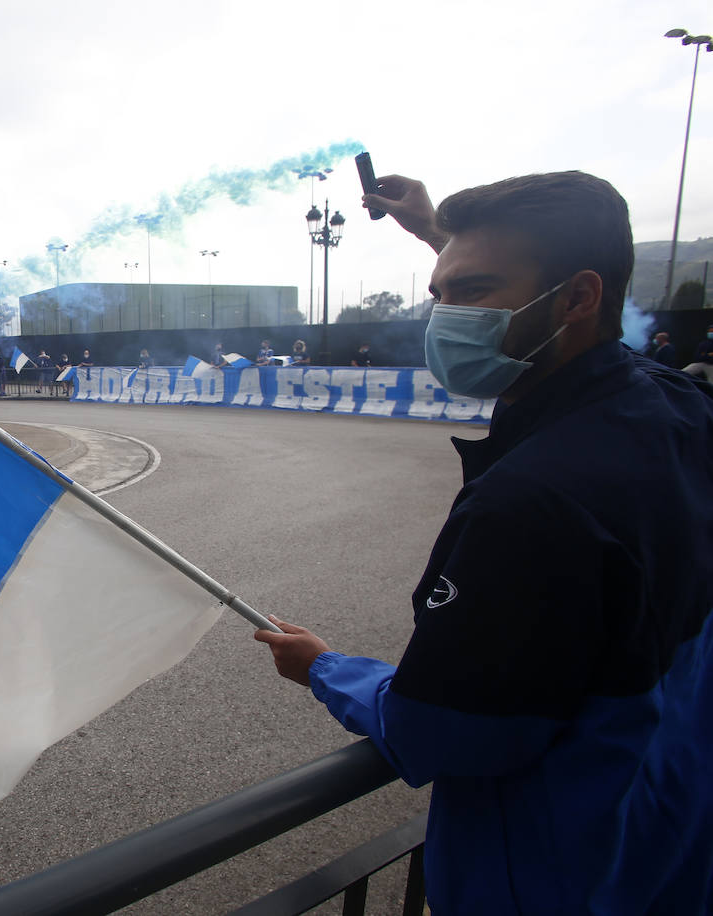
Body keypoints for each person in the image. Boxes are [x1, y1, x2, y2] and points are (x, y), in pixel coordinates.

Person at [254, 170, 713, 914]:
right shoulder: (679, 406)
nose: (445, 319)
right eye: (440, 296)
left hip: (552, 880)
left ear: (578, 297)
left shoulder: (529, 504)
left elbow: (439, 731)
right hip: (666, 851)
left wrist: (326, 669)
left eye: (471, 293)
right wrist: (435, 233)